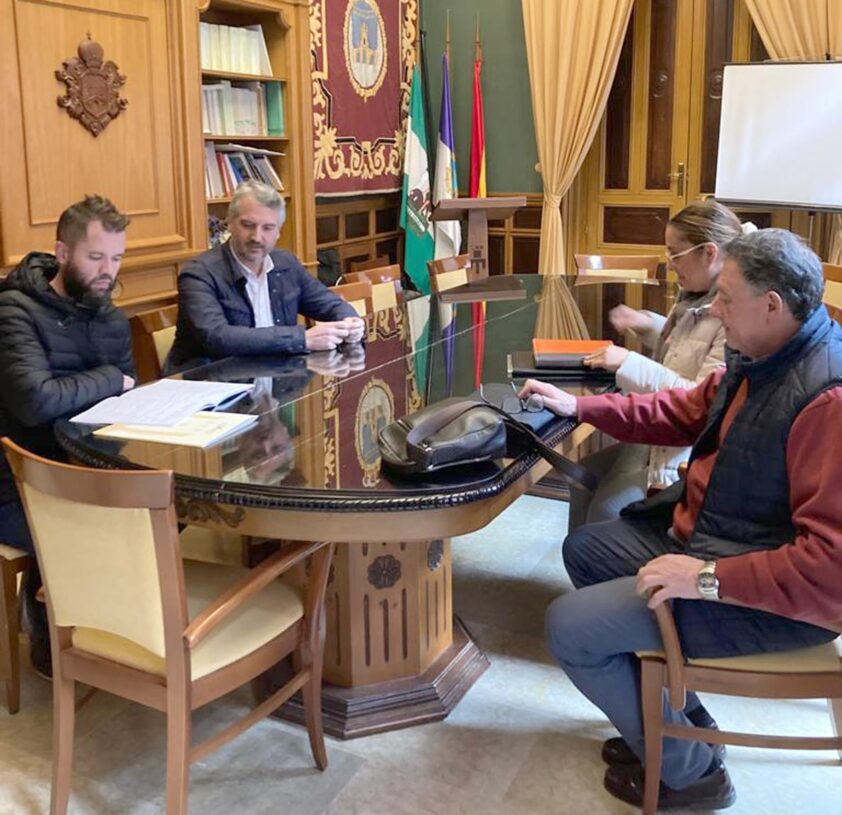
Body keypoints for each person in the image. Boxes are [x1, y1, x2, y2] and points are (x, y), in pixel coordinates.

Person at [521, 229, 842, 810]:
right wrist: (581, 406)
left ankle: (693, 774)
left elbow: (832, 570)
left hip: (776, 602)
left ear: (772, 305)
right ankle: (676, 721)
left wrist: (706, 578)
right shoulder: (766, 356)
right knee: (587, 550)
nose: (714, 310)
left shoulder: (828, 400)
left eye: (726, 299)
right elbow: (682, 409)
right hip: (723, 543)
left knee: (571, 629)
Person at [0, 195, 136, 678]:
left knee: (160, 512)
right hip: (17, 480)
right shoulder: (15, 310)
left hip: (83, 461)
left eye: (116, 258)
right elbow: (36, 402)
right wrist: (105, 379)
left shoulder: (111, 317)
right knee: (86, 525)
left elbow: (127, 396)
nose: (108, 270)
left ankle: (123, 633)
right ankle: (51, 640)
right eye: (95, 257)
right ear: (62, 253)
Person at [569, 201, 742, 530]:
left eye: (675, 254)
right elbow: (688, 350)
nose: (670, 263)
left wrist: (628, 362)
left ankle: (617, 570)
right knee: (582, 479)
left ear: (709, 252)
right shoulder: (701, 294)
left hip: (682, 450)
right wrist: (647, 324)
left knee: (604, 514)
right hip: (661, 436)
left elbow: (698, 398)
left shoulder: (732, 312)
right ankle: (590, 576)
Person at [168, 181, 365, 372]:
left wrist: (350, 321)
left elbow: (330, 303)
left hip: (272, 377)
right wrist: (301, 339)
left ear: (278, 231)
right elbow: (217, 338)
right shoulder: (198, 274)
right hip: (207, 387)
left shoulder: (286, 264)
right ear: (229, 224)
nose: (257, 237)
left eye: (268, 228)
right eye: (248, 225)